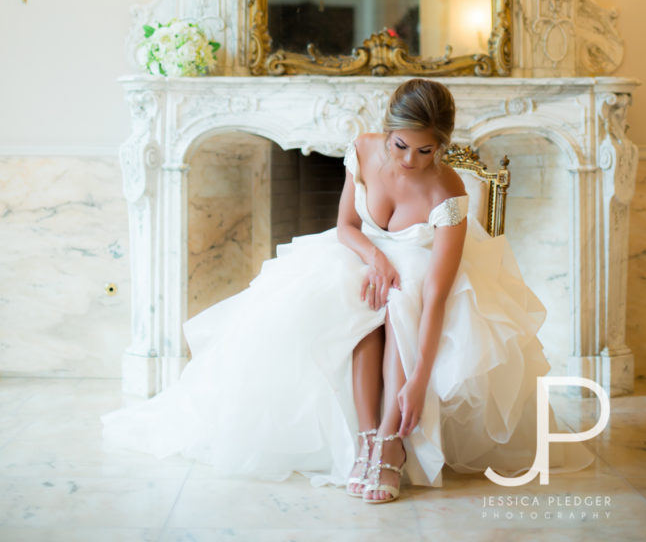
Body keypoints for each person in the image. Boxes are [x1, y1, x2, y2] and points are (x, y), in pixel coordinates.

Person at [103, 78, 583, 501]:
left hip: (421, 268)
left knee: (402, 299)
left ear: (442, 145)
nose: (410, 161)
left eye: (426, 150)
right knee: (354, 296)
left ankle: (392, 444)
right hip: (362, 253)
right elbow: (345, 227)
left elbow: (437, 295)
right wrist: (374, 259)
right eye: (400, 146)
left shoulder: (448, 195)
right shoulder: (363, 150)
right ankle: (369, 438)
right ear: (386, 132)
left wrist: (419, 381)